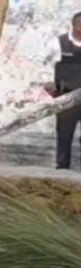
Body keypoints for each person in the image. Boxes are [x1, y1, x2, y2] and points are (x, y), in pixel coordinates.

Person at [48, 12, 81, 169]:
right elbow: (49, 65)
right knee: (64, 134)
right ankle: (62, 167)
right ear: (75, 26)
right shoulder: (60, 43)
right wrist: (50, 87)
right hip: (66, 96)